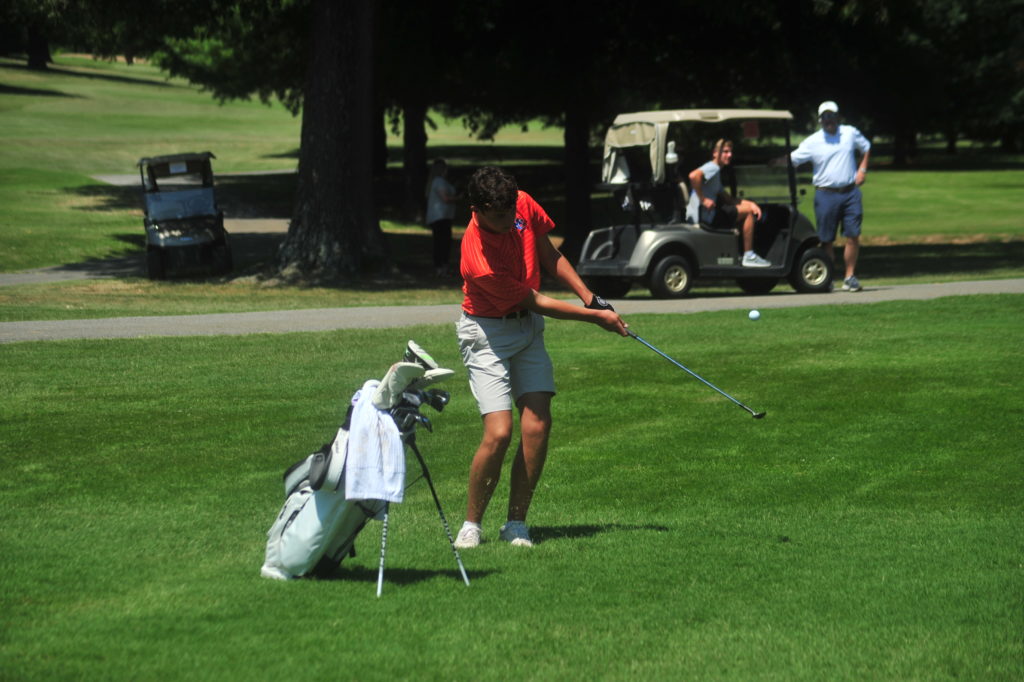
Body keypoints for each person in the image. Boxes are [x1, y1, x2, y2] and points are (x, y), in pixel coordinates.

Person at [453, 166, 628, 549]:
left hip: (527, 330)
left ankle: (516, 523)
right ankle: (471, 524)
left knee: (537, 426)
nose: (507, 222)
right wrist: (595, 318)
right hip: (487, 335)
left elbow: (549, 254)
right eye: (498, 217)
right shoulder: (477, 256)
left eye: (510, 213)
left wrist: (590, 297)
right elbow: (535, 300)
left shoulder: (522, 204)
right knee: (499, 433)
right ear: (477, 210)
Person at [790, 101, 871, 292]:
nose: (828, 120)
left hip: (850, 192)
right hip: (825, 194)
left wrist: (862, 170)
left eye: (831, 116)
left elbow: (866, 147)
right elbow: (793, 159)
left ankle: (850, 277)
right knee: (826, 239)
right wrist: (772, 163)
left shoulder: (849, 133)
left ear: (837, 117)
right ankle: (828, 278)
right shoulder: (813, 141)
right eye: (825, 117)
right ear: (820, 120)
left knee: (853, 235)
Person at [687, 138, 771, 268]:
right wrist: (703, 199)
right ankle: (749, 256)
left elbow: (729, 199)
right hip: (706, 218)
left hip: (707, 216)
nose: (729, 155)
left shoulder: (716, 174)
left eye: (730, 152)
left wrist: (751, 204)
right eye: (725, 152)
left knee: (747, 208)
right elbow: (693, 176)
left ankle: (740, 252)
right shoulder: (713, 167)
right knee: (748, 213)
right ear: (715, 153)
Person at [424, 159, 459, 276]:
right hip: (440, 216)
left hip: (442, 216)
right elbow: (445, 198)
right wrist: (458, 198)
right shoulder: (438, 181)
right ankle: (441, 267)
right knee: (443, 242)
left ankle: (441, 267)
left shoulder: (438, 181)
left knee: (440, 242)